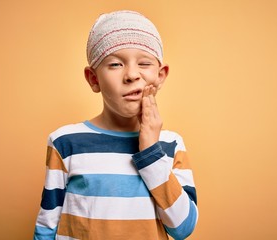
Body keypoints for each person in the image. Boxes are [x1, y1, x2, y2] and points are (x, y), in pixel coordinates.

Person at [34, 10, 198, 240]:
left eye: (144, 63)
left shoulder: (171, 145)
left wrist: (151, 150)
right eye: (115, 64)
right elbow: (46, 226)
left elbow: (183, 228)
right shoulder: (65, 142)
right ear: (94, 79)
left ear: (160, 76)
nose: (131, 75)